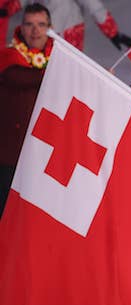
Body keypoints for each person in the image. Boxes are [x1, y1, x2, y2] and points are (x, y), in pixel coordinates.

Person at [0, 2, 52, 218]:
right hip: (8, 158)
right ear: (20, 27)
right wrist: (58, 71)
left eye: (41, 24)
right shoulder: (8, 56)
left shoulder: (57, 60)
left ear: (50, 28)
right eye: (29, 24)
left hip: (40, 159)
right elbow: (18, 78)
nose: (35, 30)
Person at [0, 0, 131, 51]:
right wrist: (8, 9)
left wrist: (112, 32)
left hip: (67, 32)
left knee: (66, 72)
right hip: (42, 32)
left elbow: (93, 5)